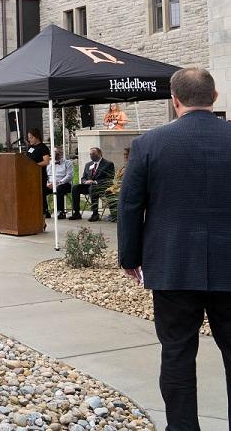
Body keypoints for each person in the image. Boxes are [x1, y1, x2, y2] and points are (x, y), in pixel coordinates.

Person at [118, 67, 231, 429]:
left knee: (178, 353)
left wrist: (130, 258)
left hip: (173, 264)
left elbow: (131, 205)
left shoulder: (149, 144)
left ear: (175, 100)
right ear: (214, 98)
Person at [68, 147, 115, 222]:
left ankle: (95, 214)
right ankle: (76, 213)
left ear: (99, 154)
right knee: (75, 188)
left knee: (92, 188)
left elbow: (109, 178)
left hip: (101, 187)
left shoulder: (108, 164)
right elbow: (83, 178)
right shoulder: (88, 164)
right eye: (90, 154)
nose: (91, 156)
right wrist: (85, 181)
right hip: (88, 186)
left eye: (93, 154)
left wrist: (95, 182)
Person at [24, 128, 51, 221]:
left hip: (39, 176)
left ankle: (43, 218)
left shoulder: (43, 147)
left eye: (31, 137)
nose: (29, 140)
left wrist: (34, 166)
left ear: (36, 137)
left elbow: (46, 161)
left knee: (40, 195)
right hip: (29, 176)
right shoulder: (31, 147)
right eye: (28, 138)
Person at [102, 147, 130, 223]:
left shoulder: (133, 164)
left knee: (112, 192)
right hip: (119, 185)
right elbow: (116, 177)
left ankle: (117, 215)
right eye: (124, 154)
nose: (125, 156)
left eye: (127, 154)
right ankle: (114, 214)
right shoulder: (124, 165)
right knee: (108, 191)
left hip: (128, 187)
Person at [44, 148, 73, 219]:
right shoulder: (48, 163)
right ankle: (45, 211)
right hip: (50, 184)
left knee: (59, 189)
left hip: (64, 184)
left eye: (57, 153)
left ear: (61, 154)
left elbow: (69, 175)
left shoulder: (67, 163)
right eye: (53, 153)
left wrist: (59, 182)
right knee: (42, 189)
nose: (55, 155)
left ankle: (60, 212)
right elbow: (45, 176)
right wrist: (47, 183)